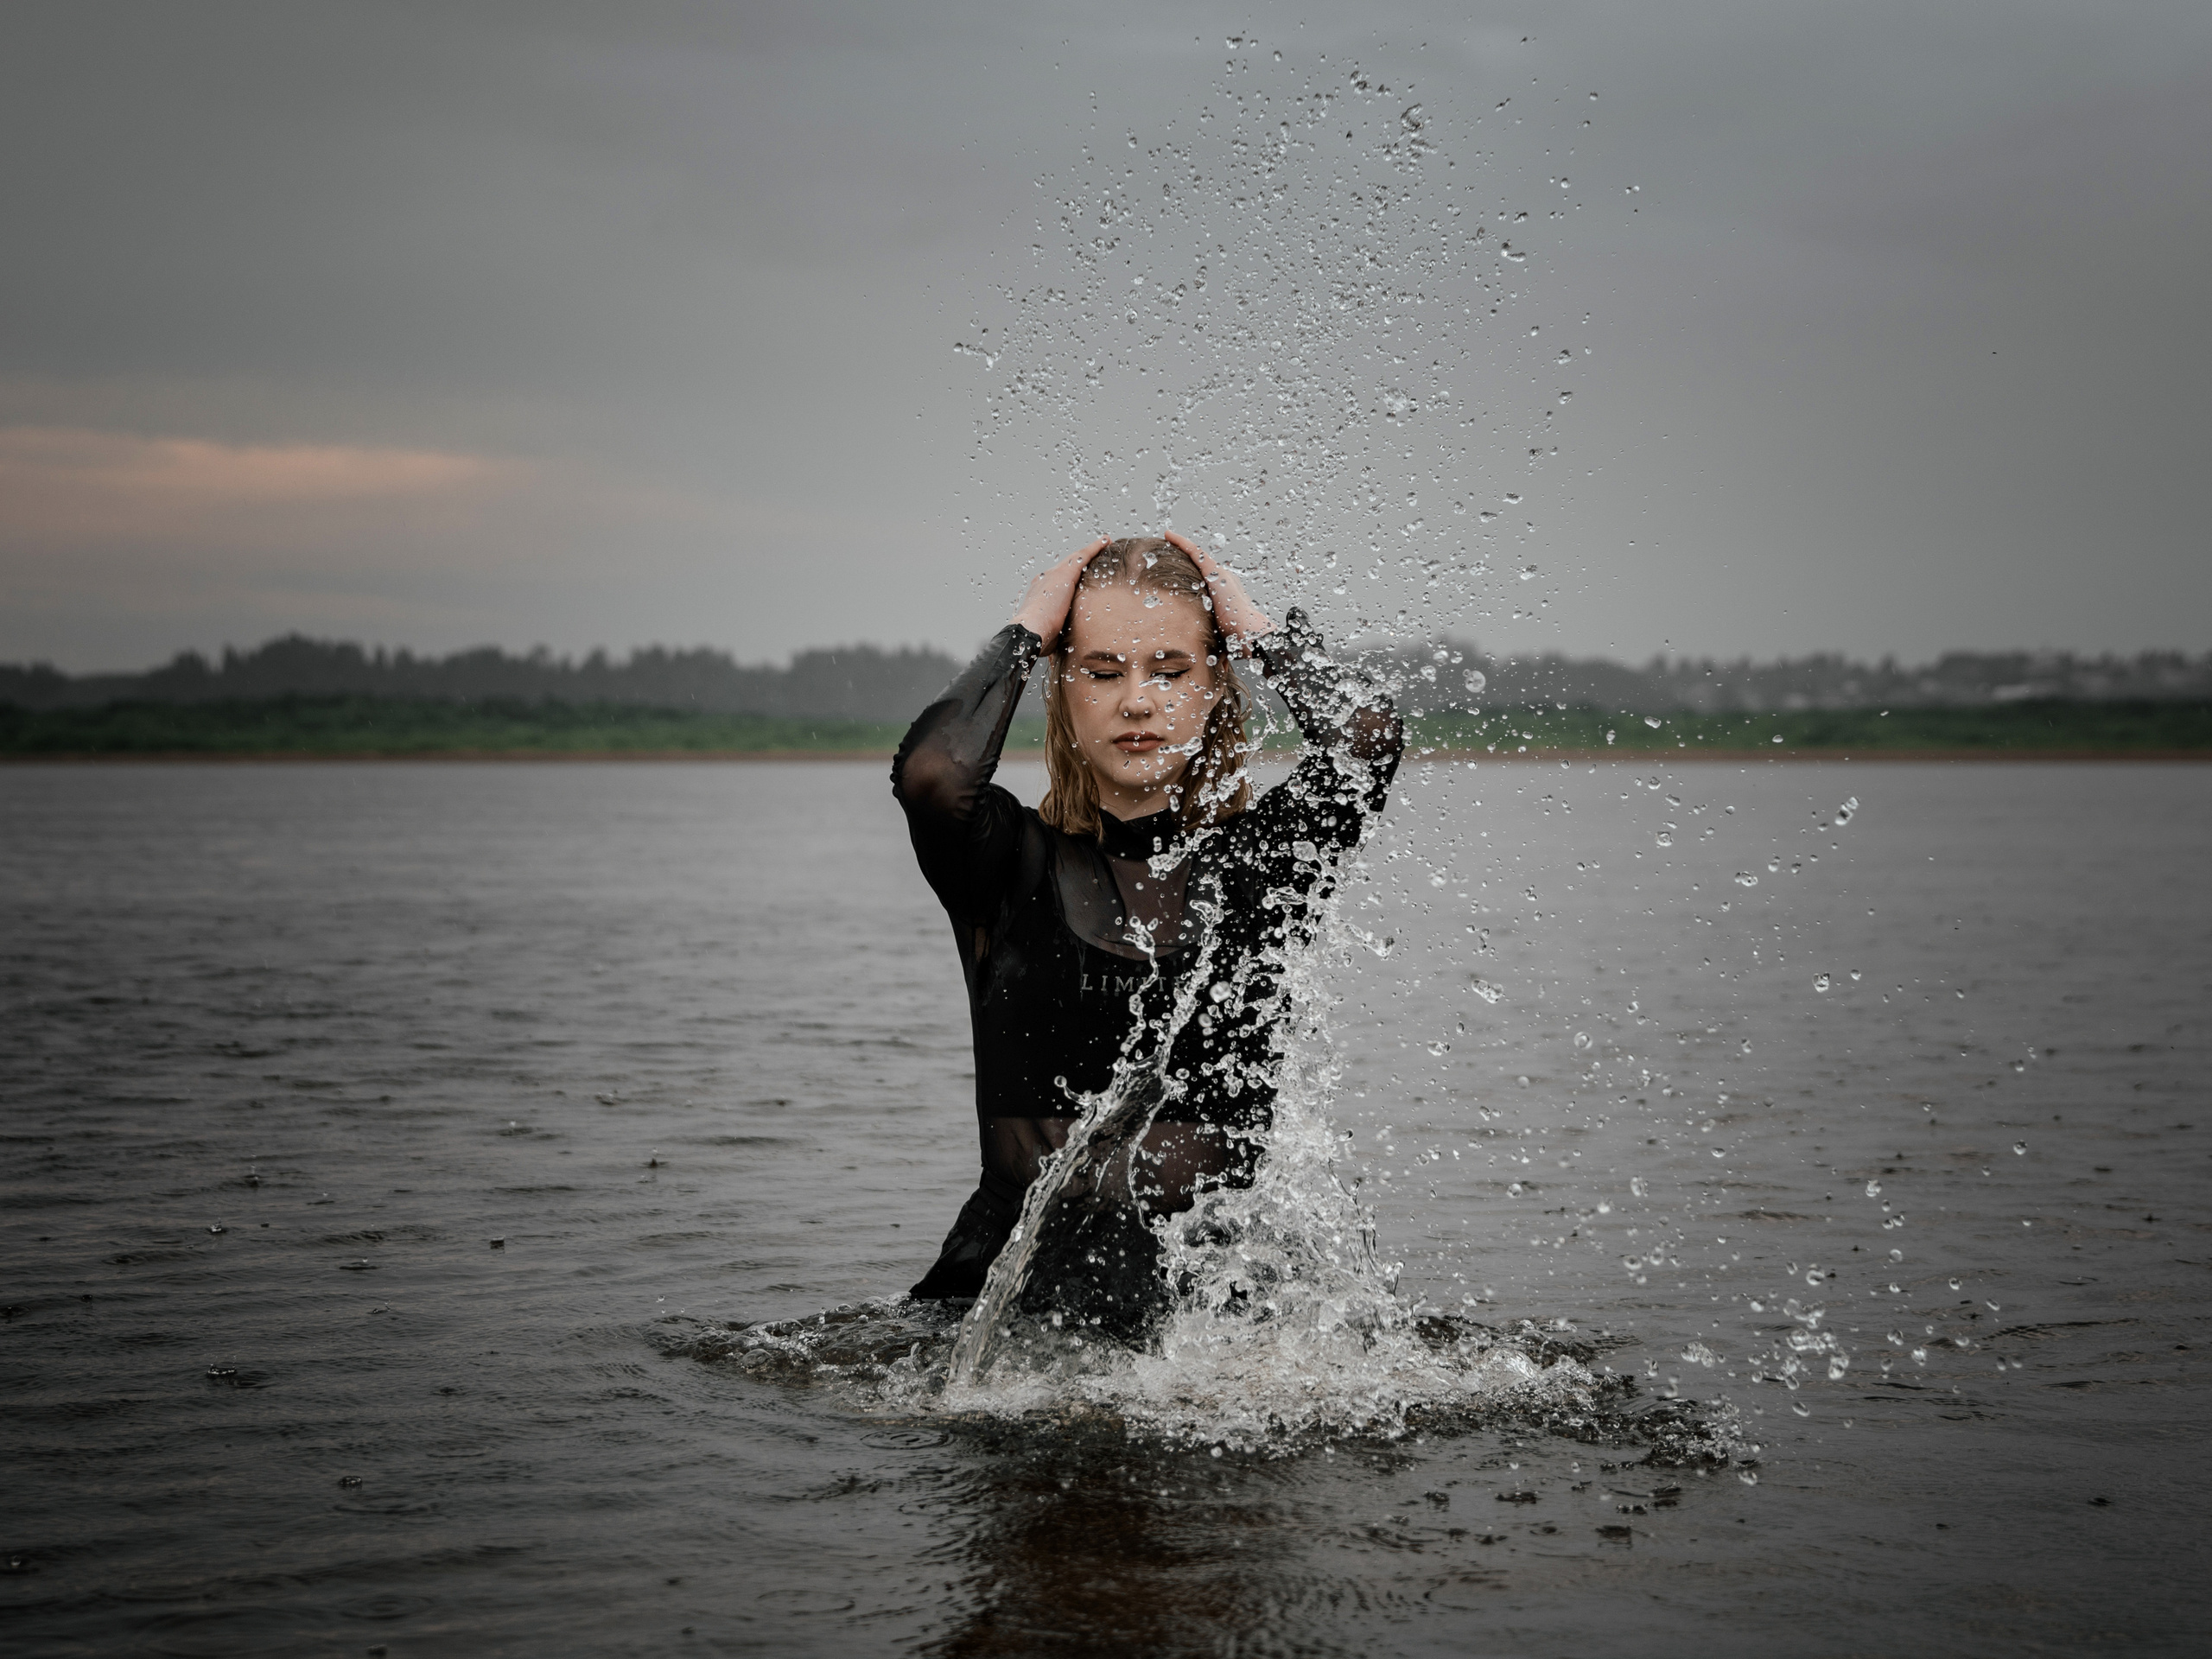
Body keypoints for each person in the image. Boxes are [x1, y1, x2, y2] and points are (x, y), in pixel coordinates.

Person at [891, 532, 1402, 1334]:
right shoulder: (1006, 864)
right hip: (1014, 1299)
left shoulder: (1266, 867)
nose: (1137, 701)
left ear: (1214, 688)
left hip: (1212, 1306)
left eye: (1171, 672)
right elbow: (932, 777)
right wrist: (1028, 627)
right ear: (1063, 689)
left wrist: (1257, 630)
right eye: (1102, 672)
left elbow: (1365, 740)